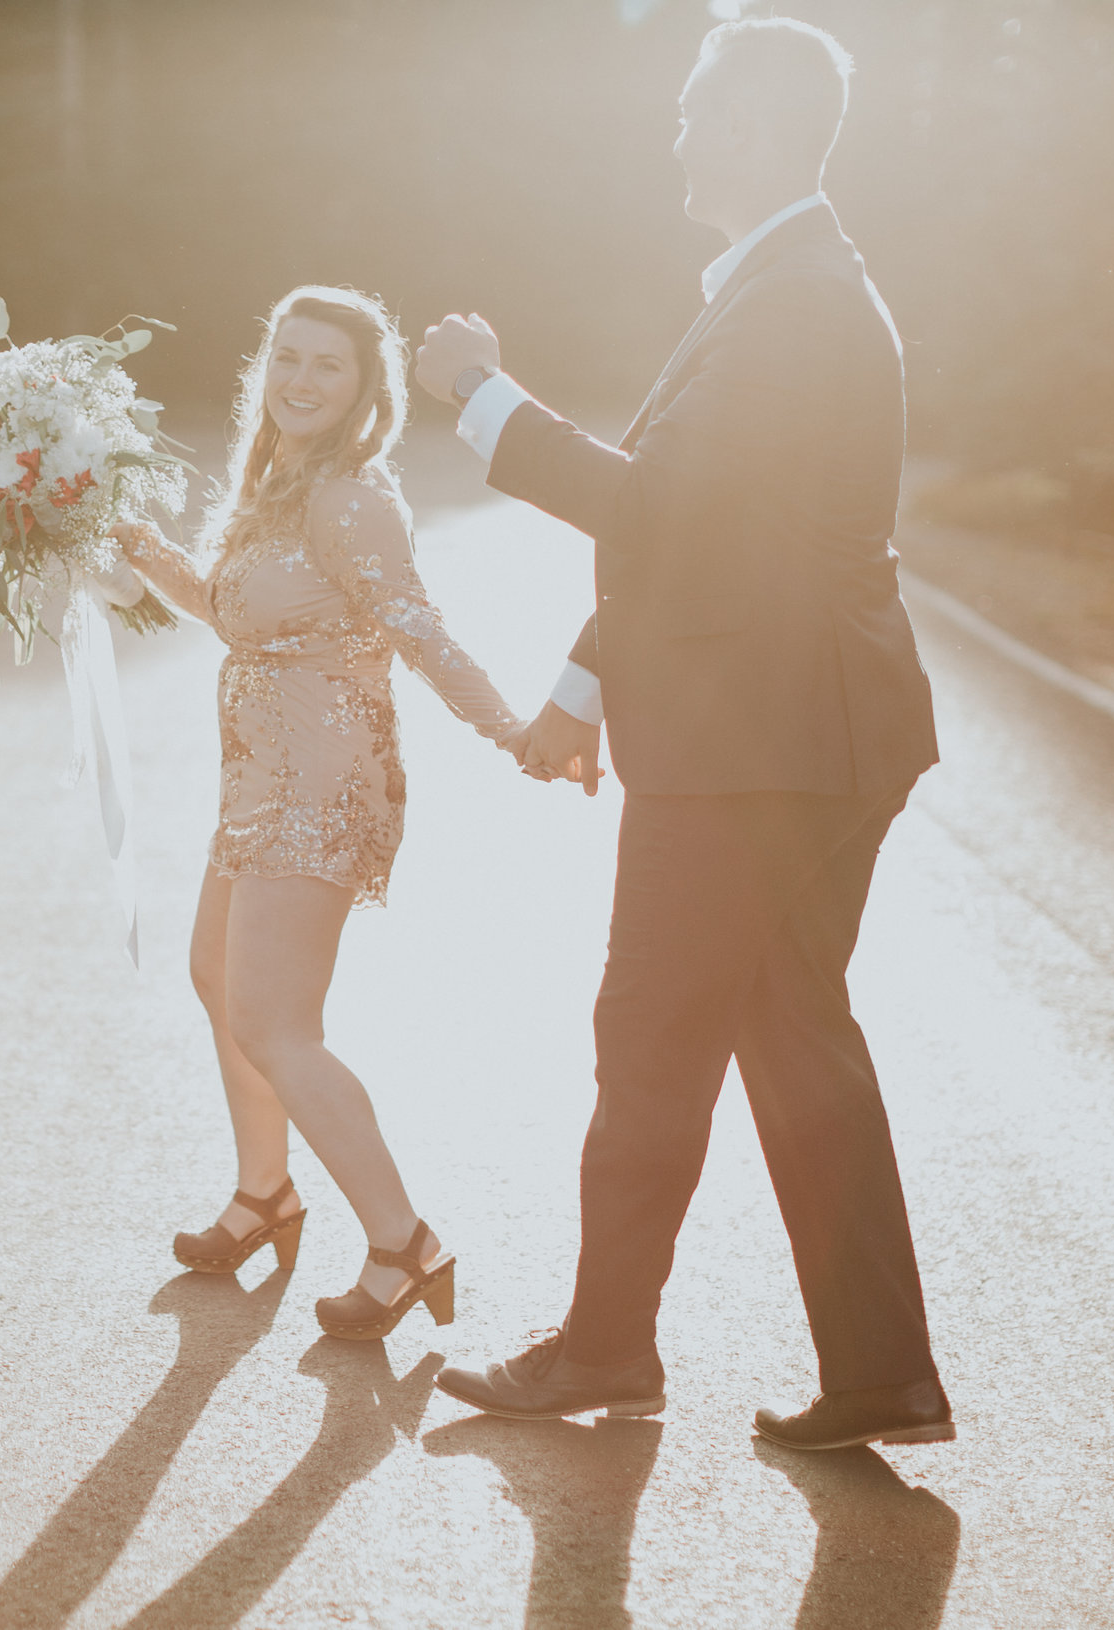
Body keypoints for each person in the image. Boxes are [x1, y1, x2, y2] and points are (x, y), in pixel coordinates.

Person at [414, 17, 955, 1450]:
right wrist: (583, 694)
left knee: (654, 1027)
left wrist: (480, 394)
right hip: (798, 723)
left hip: (763, 741)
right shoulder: (782, 286)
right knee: (791, 1031)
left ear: (756, 130)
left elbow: (653, 511)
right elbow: (715, 540)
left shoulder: (796, 301)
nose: (674, 133)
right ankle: (881, 1376)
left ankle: (604, 1350)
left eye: (693, 110)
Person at [116, 285, 525, 1341]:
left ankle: (403, 1240)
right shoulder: (277, 482)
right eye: (287, 359)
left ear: (364, 393)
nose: (300, 380)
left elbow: (418, 629)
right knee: (217, 978)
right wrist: (143, 550)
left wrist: (514, 730)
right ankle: (265, 1194)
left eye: (326, 366)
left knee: (277, 1023)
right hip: (258, 775)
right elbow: (242, 619)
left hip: (324, 783)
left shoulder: (349, 498)